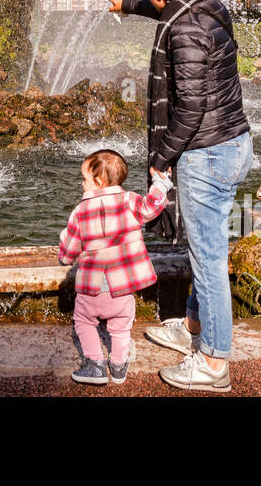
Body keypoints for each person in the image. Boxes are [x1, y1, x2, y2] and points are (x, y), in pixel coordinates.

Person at [104, 0, 252, 393]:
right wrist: (129, 5)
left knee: (209, 262)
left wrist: (161, 159)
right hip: (230, 143)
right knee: (204, 252)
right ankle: (191, 324)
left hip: (206, 152)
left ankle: (213, 363)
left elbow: (188, 109)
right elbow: (170, 13)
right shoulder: (204, 5)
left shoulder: (184, 29)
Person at [57, 149, 172, 385]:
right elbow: (153, 205)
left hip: (92, 288)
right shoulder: (129, 200)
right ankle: (118, 366)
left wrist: (63, 249)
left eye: (84, 179)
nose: (81, 183)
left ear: (98, 182)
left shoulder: (80, 212)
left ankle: (95, 365)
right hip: (123, 286)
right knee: (120, 327)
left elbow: (68, 254)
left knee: (83, 321)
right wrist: (162, 184)